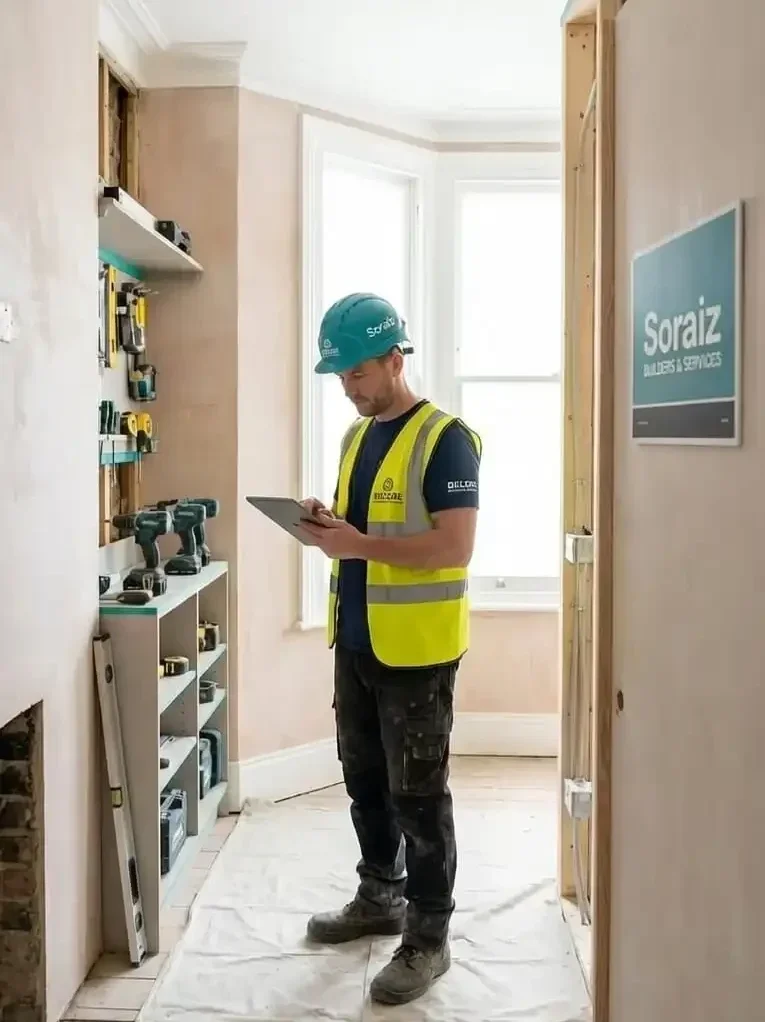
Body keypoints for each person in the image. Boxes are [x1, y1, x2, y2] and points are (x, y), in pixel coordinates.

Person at [300, 293, 482, 1005]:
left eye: (358, 373)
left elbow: (455, 546)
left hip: (418, 654)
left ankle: (428, 938)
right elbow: (365, 532)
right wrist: (329, 525)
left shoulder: (445, 439)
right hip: (356, 640)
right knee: (365, 783)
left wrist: (357, 543)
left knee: (419, 798)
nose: (348, 388)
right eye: (341, 376)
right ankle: (380, 895)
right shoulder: (356, 437)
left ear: (394, 359)